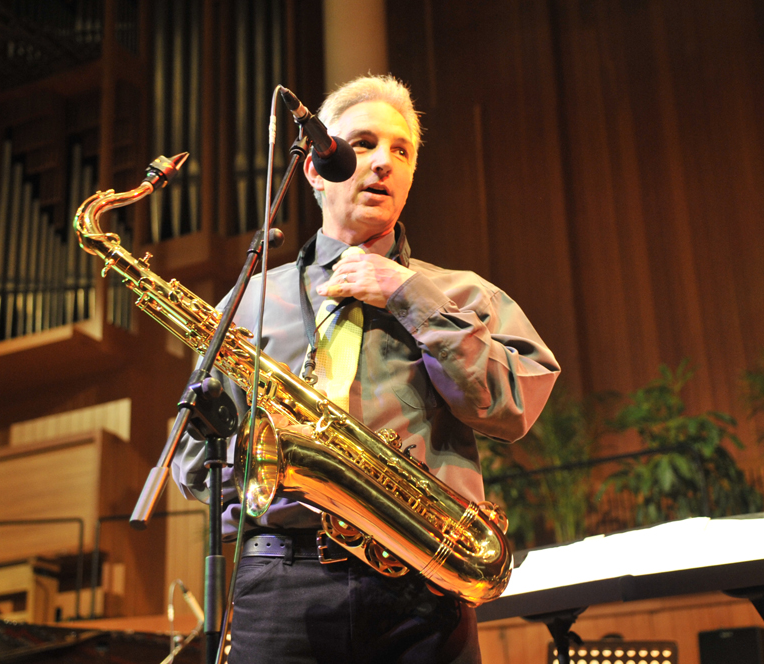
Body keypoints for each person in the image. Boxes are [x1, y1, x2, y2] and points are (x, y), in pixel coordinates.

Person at [171, 74, 559, 664]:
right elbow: (195, 459)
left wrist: (410, 295)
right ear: (314, 169)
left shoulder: (463, 294)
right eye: (363, 144)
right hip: (281, 582)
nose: (382, 163)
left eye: (400, 151)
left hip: (424, 582)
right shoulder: (249, 301)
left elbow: (510, 408)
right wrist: (269, 472)